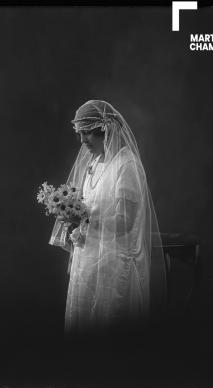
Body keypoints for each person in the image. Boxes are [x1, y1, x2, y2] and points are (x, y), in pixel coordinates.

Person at [49, 100, 167, 336]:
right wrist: (72, 218)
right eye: (80, 133)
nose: (82, 141)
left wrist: (84, 219)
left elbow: (126, 223)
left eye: (87, 134)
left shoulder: (127, 165)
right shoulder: (94, 162)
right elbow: (89, 209)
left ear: (106, 131)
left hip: (113, 265)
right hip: (88, 259)